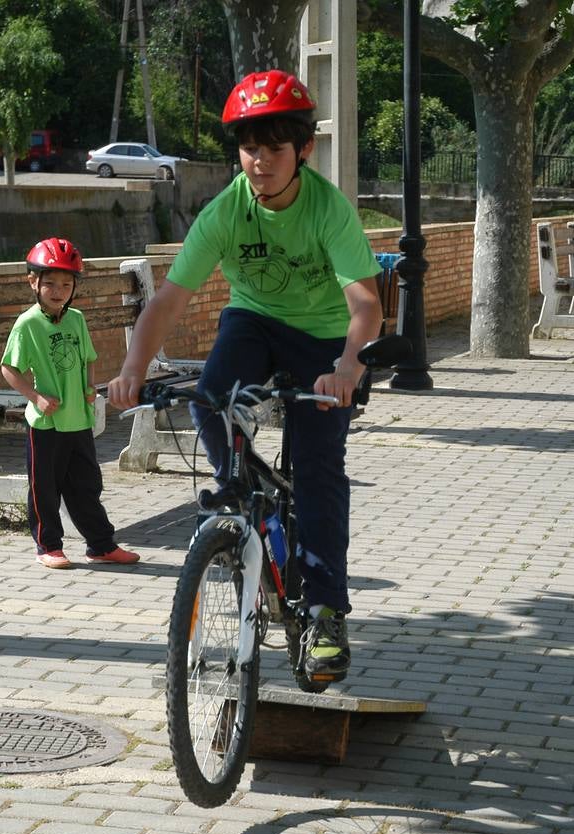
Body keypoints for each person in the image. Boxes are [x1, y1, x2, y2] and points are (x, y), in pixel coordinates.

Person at [107, 70, 382, 682]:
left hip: (321, 336)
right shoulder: (226, 211)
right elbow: (169, 300)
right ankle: (236, 492)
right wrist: (131, 370)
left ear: (303, 149)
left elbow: (366, 304)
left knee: (319, 470)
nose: (260, 162)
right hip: (253, 322)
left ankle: (325, 612)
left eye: (275, 149)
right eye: (249, 148)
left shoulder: (327, 209)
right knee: (209, 397)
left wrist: (347, 366)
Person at [1, 237, 141, 570]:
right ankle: (48, 546)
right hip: (46, 423)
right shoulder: (27, 324)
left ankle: (101, 546)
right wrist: (35, 397)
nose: (58, 291)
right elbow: (9, 369)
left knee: (86, 486)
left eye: (66, 284)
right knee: (45, 489)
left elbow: (89, 358)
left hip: (78, 418)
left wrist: (90, 387)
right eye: (50, 283)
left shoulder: (76, 319)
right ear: (33, 282)